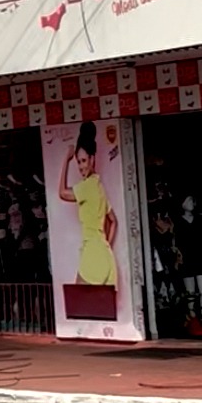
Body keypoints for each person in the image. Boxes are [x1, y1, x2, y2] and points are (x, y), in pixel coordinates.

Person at [58, 121, 117, 286]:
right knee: (96, 309)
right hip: (104, 255)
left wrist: (66, 160)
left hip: (92, 253)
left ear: (92, 159)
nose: (81, 166)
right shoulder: (98, 186)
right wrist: (107, 247)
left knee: (80, 308)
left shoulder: (88, 186)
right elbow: (113, 222)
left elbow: (62, 193)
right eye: (78, 161)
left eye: (83, 161)